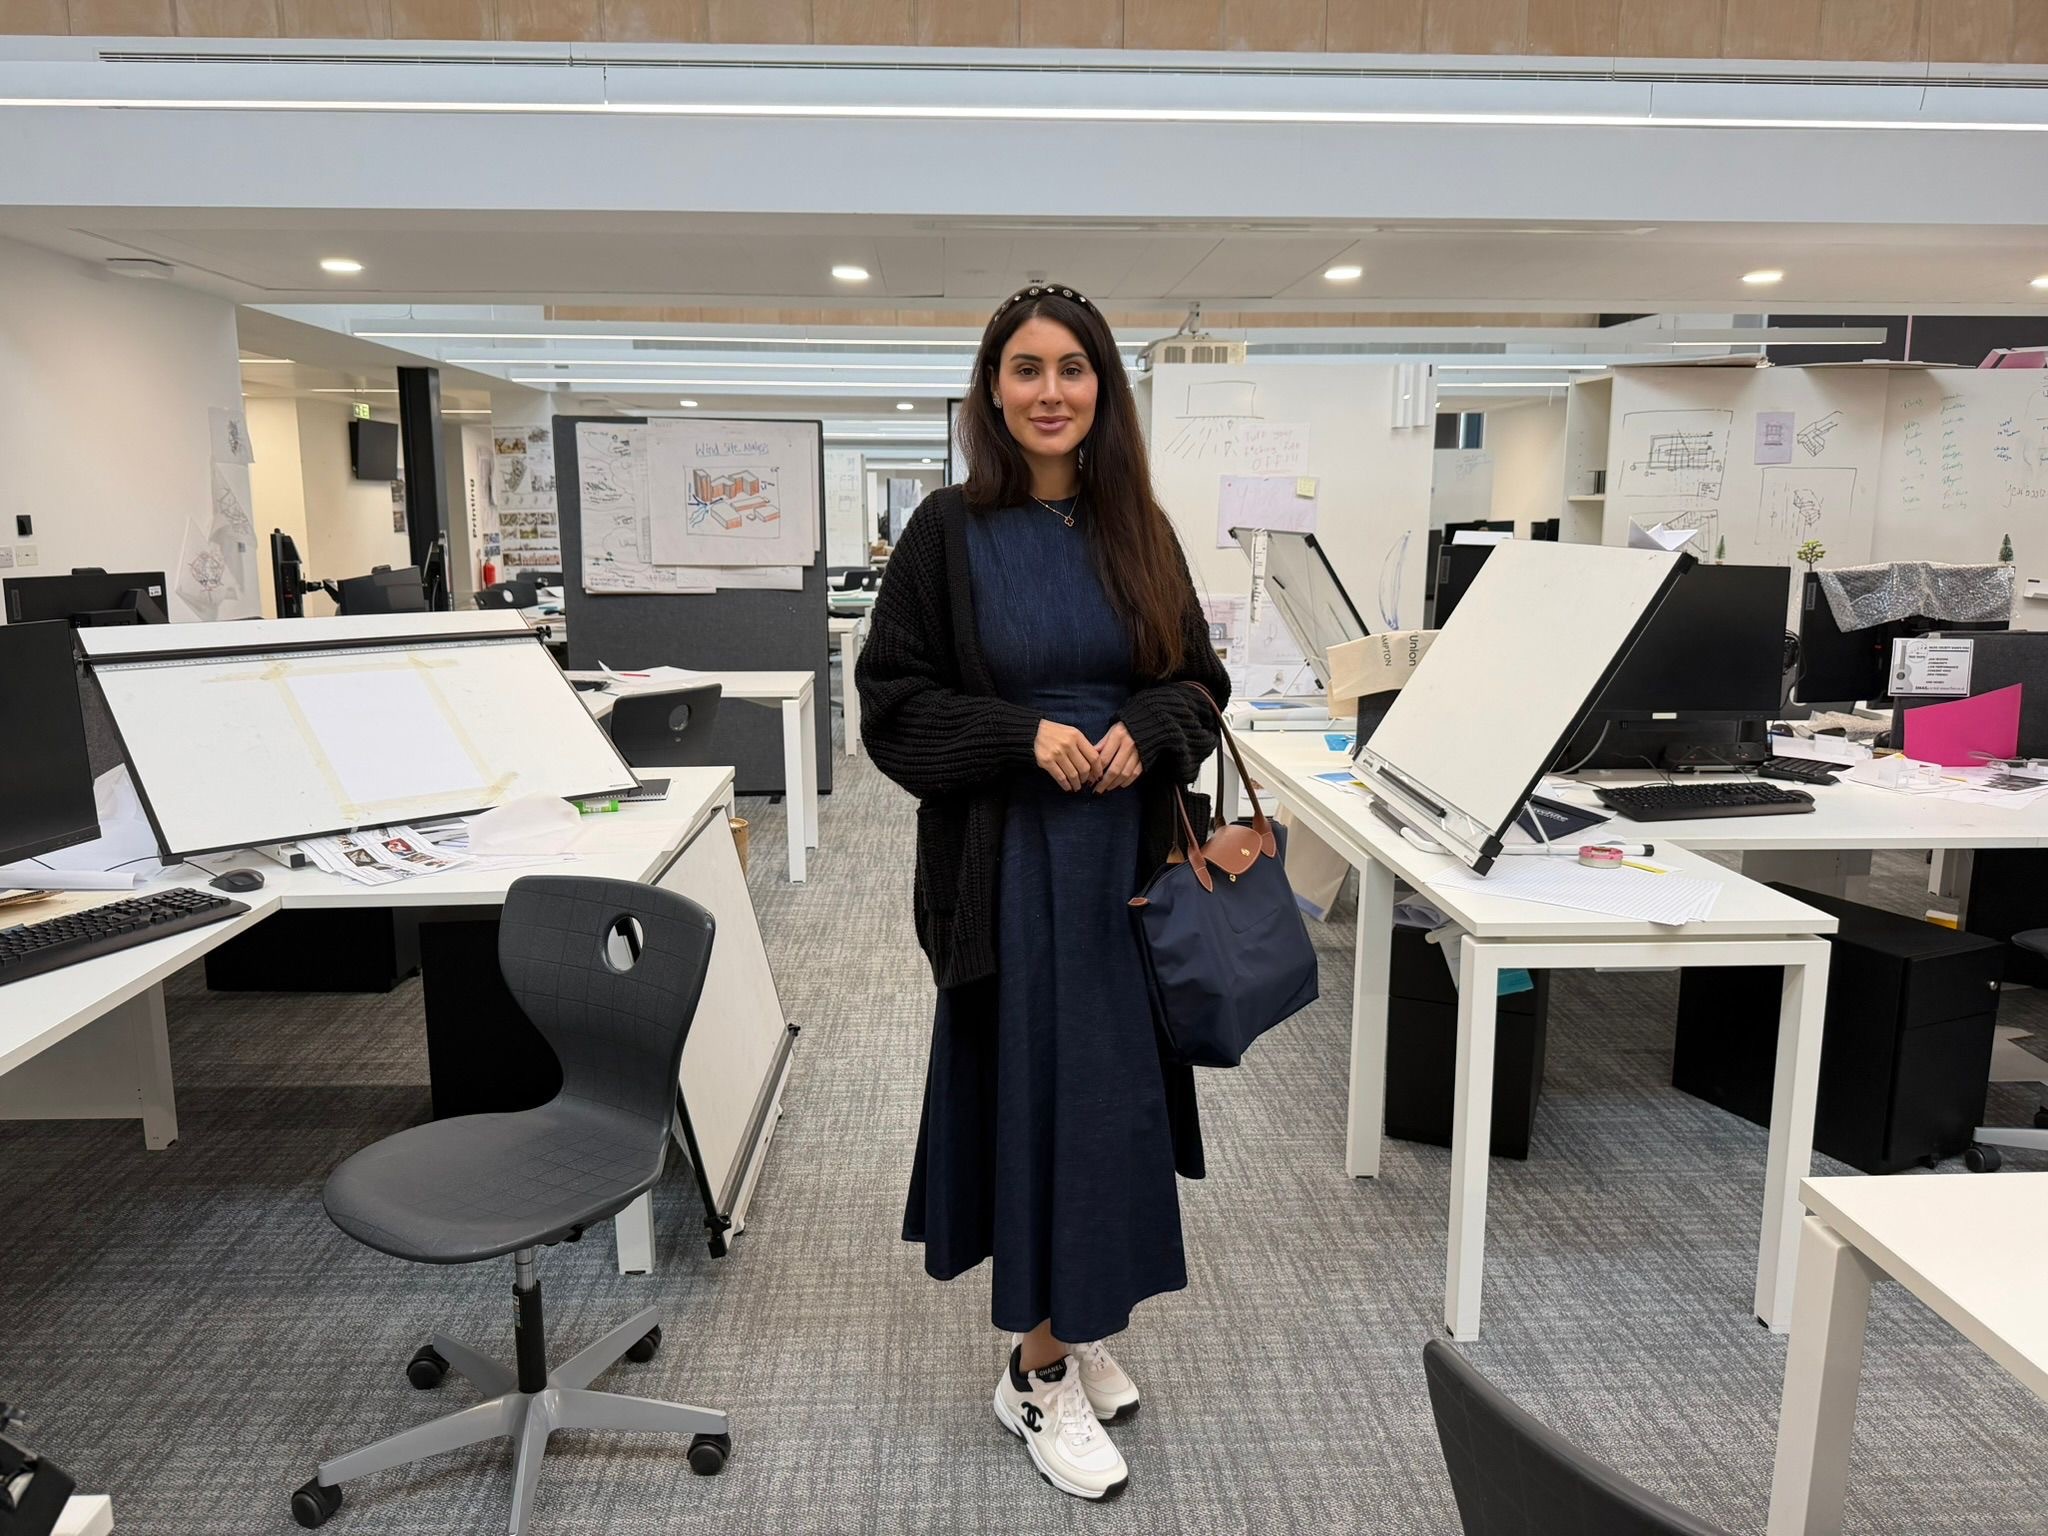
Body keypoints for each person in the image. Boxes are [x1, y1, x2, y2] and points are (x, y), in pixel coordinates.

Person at [856, 283, 1231, 1501]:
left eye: (1073, 370)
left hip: (1122, 870)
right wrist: (1018, 738)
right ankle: (1033, 1375)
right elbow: (891, 704)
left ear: (1103, 390)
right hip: (1007, 874)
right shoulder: (946, 532)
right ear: (992, 388)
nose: (1050, 392)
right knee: (1037, 1102)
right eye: (1026, 370)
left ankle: (1071, 1318)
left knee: (1111, 1103)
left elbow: (1200, 684)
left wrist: (1147, 724)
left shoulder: (1140, 531)